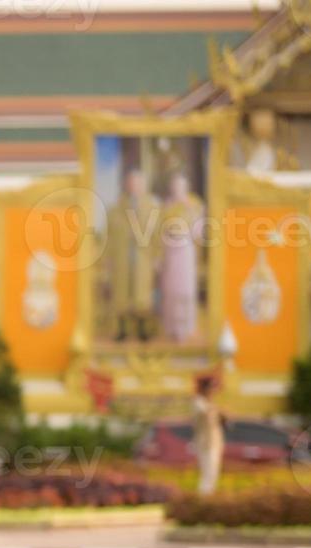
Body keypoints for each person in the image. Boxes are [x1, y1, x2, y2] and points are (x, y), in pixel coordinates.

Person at [106, 168, 159, 343]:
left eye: (137, 183)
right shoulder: (117, 207)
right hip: (122, 257)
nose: (134, 186)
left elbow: (157, 235)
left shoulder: (151, 206)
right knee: (122, 294)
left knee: (142, 294)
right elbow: (109, 236)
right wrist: (108, 258)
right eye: (131, 182)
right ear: (126, 185)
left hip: (143, 258)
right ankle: (122, 330)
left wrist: (158, 257)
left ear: (143, 185)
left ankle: (143, 330)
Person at [159, 172, 206, 345]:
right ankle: (172, 327)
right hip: (170, 252)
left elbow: (200, 231)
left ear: (186, 187)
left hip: (186, 251)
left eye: (181, 186)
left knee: (185, 289)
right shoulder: (166, 206)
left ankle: (186, 327)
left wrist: (191, 216)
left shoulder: (194, 205)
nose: (177, 189)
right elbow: (159, 231)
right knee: (172, 289)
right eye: (175, 186)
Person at [193, 375, 226, 496]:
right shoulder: (199, 402)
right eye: (211, 387)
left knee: (213, 475)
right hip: (206, 444)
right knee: (208, 475)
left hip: (215, 443)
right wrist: (216, 409)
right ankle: (203, 502)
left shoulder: (209, 403)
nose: (214, 391)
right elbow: (206, 414)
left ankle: (208, 501)